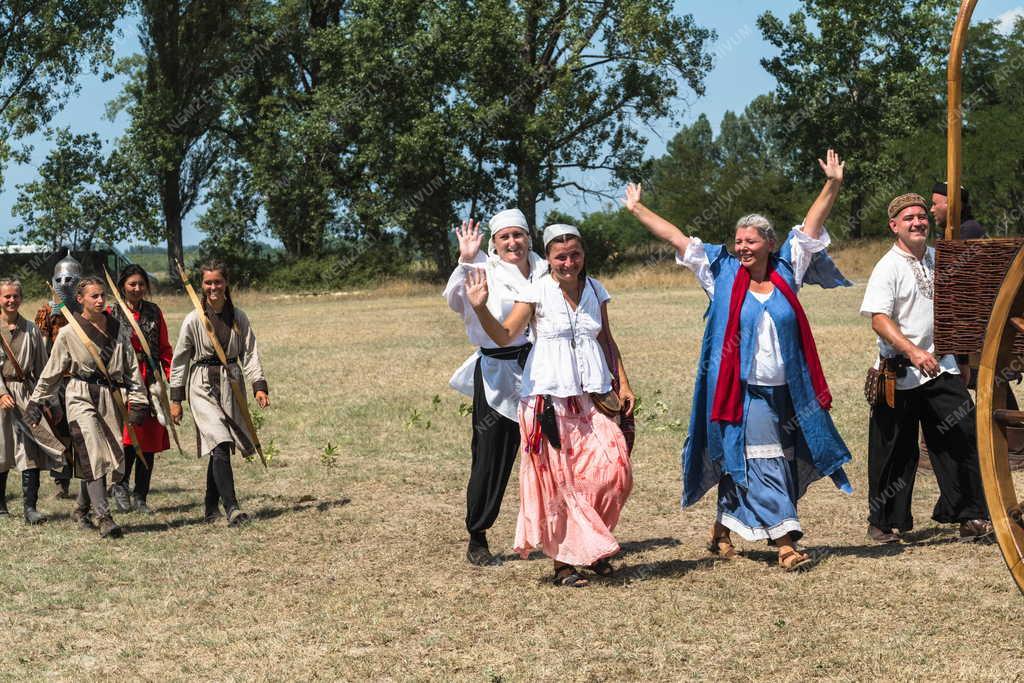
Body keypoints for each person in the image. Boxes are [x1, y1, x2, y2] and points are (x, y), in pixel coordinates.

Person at [624, 149, 854, 571]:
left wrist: (832, 184)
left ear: (769, 243)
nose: (743, 247)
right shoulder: (720, 272)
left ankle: (722, 528)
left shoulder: (788, 269)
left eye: (751, 241)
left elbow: (811, 226)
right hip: (741, 392)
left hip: (789, 388)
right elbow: (677, 238)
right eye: (739, 240)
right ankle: (786, 542)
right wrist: (639, 208)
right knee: (764, 460)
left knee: (765, 457)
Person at [465, 223, 634, 587]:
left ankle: (590, 545)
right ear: (550, 259)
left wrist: (624, 381)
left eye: (574, 255)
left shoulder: (595, 289)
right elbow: (505, 334)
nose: (568, 263)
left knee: (614, 472)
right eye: (560, 257)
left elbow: (606, 338)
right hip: (548, 403)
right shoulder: (536, 291)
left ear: (583, 255)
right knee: (560, 485)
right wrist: (480, 309)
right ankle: (564, 564)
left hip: (592, 399)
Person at [860, 193, 992, 543]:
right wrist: (913, 351)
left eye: (921, 216)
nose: (918, 222)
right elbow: (879, 319)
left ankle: (969, 514)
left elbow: (956, 312)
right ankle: (884, 521)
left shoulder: (939, 260)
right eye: (909, 219)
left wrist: (961, 358)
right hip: (898, 370)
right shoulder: (887, 266)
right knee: (894, 450)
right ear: (894, 226)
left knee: (961, 433)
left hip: (942, 367)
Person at [443, 209, 548, 565]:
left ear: (528, 238)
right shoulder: (482, 268)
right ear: (495, 242)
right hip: (496, 374)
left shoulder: (544, 268)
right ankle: (478, 535)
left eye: (518, 235)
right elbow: (456, 301)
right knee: (490, 457)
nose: (513, 243)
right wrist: (466, 259)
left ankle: (558, 532)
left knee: (551, 455)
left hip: (541, 370)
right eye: (505, 237)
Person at [26, 277, 149, 538]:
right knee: (93, 452)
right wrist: (36, 401)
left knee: (107, 455)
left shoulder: (118, 329)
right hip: (80, 395)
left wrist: (138, 400)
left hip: (110, 397)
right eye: (94, 296)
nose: (100, 300)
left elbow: (131, 369)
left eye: (102, 295)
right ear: (80, 299)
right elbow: (52, 372)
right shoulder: (70, 332)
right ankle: (103, 516)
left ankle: (81, 509)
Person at [169, 260, 269, 527]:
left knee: (219, 446)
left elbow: (250, 353)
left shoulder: (239, 317)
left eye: (218, 281)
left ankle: (210, 506)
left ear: (226, 283)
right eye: (208, 282)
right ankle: (232, 508)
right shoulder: (193, 320)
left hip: (231, 384)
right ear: (202, 286)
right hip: (201, 385)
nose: (213, 287)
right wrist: (176, 399)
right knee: (221, 442)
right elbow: (179, 360)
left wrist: (258, 385)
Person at [108, 265, 173, 514]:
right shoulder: (111, 312)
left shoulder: (154, 312)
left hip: (150, 381)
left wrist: (169, 379)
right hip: (124, 382)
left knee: (149, 441)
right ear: (122, 285)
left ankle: (141, 495)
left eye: (141, 284)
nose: (137, 288)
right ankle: (120, 485)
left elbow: (165, 348)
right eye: (132, 284)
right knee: (127, 438)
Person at [0, 278, 65, 523]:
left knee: (30, 450)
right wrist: (1, 393)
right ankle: (1, 505)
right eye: (6, 296)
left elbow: (43, 369)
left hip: (27, 396)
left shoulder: (31, 330)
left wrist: (51, 402)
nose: (11, 300)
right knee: (2, 449)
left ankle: (30, 508)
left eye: (15, 296)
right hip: (2, 398)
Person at [34, 252, 82, 499]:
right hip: (57, 380)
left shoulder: (87, 309)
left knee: (82, 430)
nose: (64, 285)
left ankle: (88, 481)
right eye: (60, 280)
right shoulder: (46, 311)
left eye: (70, 280)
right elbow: (42, 349)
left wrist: (72, 312)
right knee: (60, 429)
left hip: (81, 378)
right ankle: (61, 483)